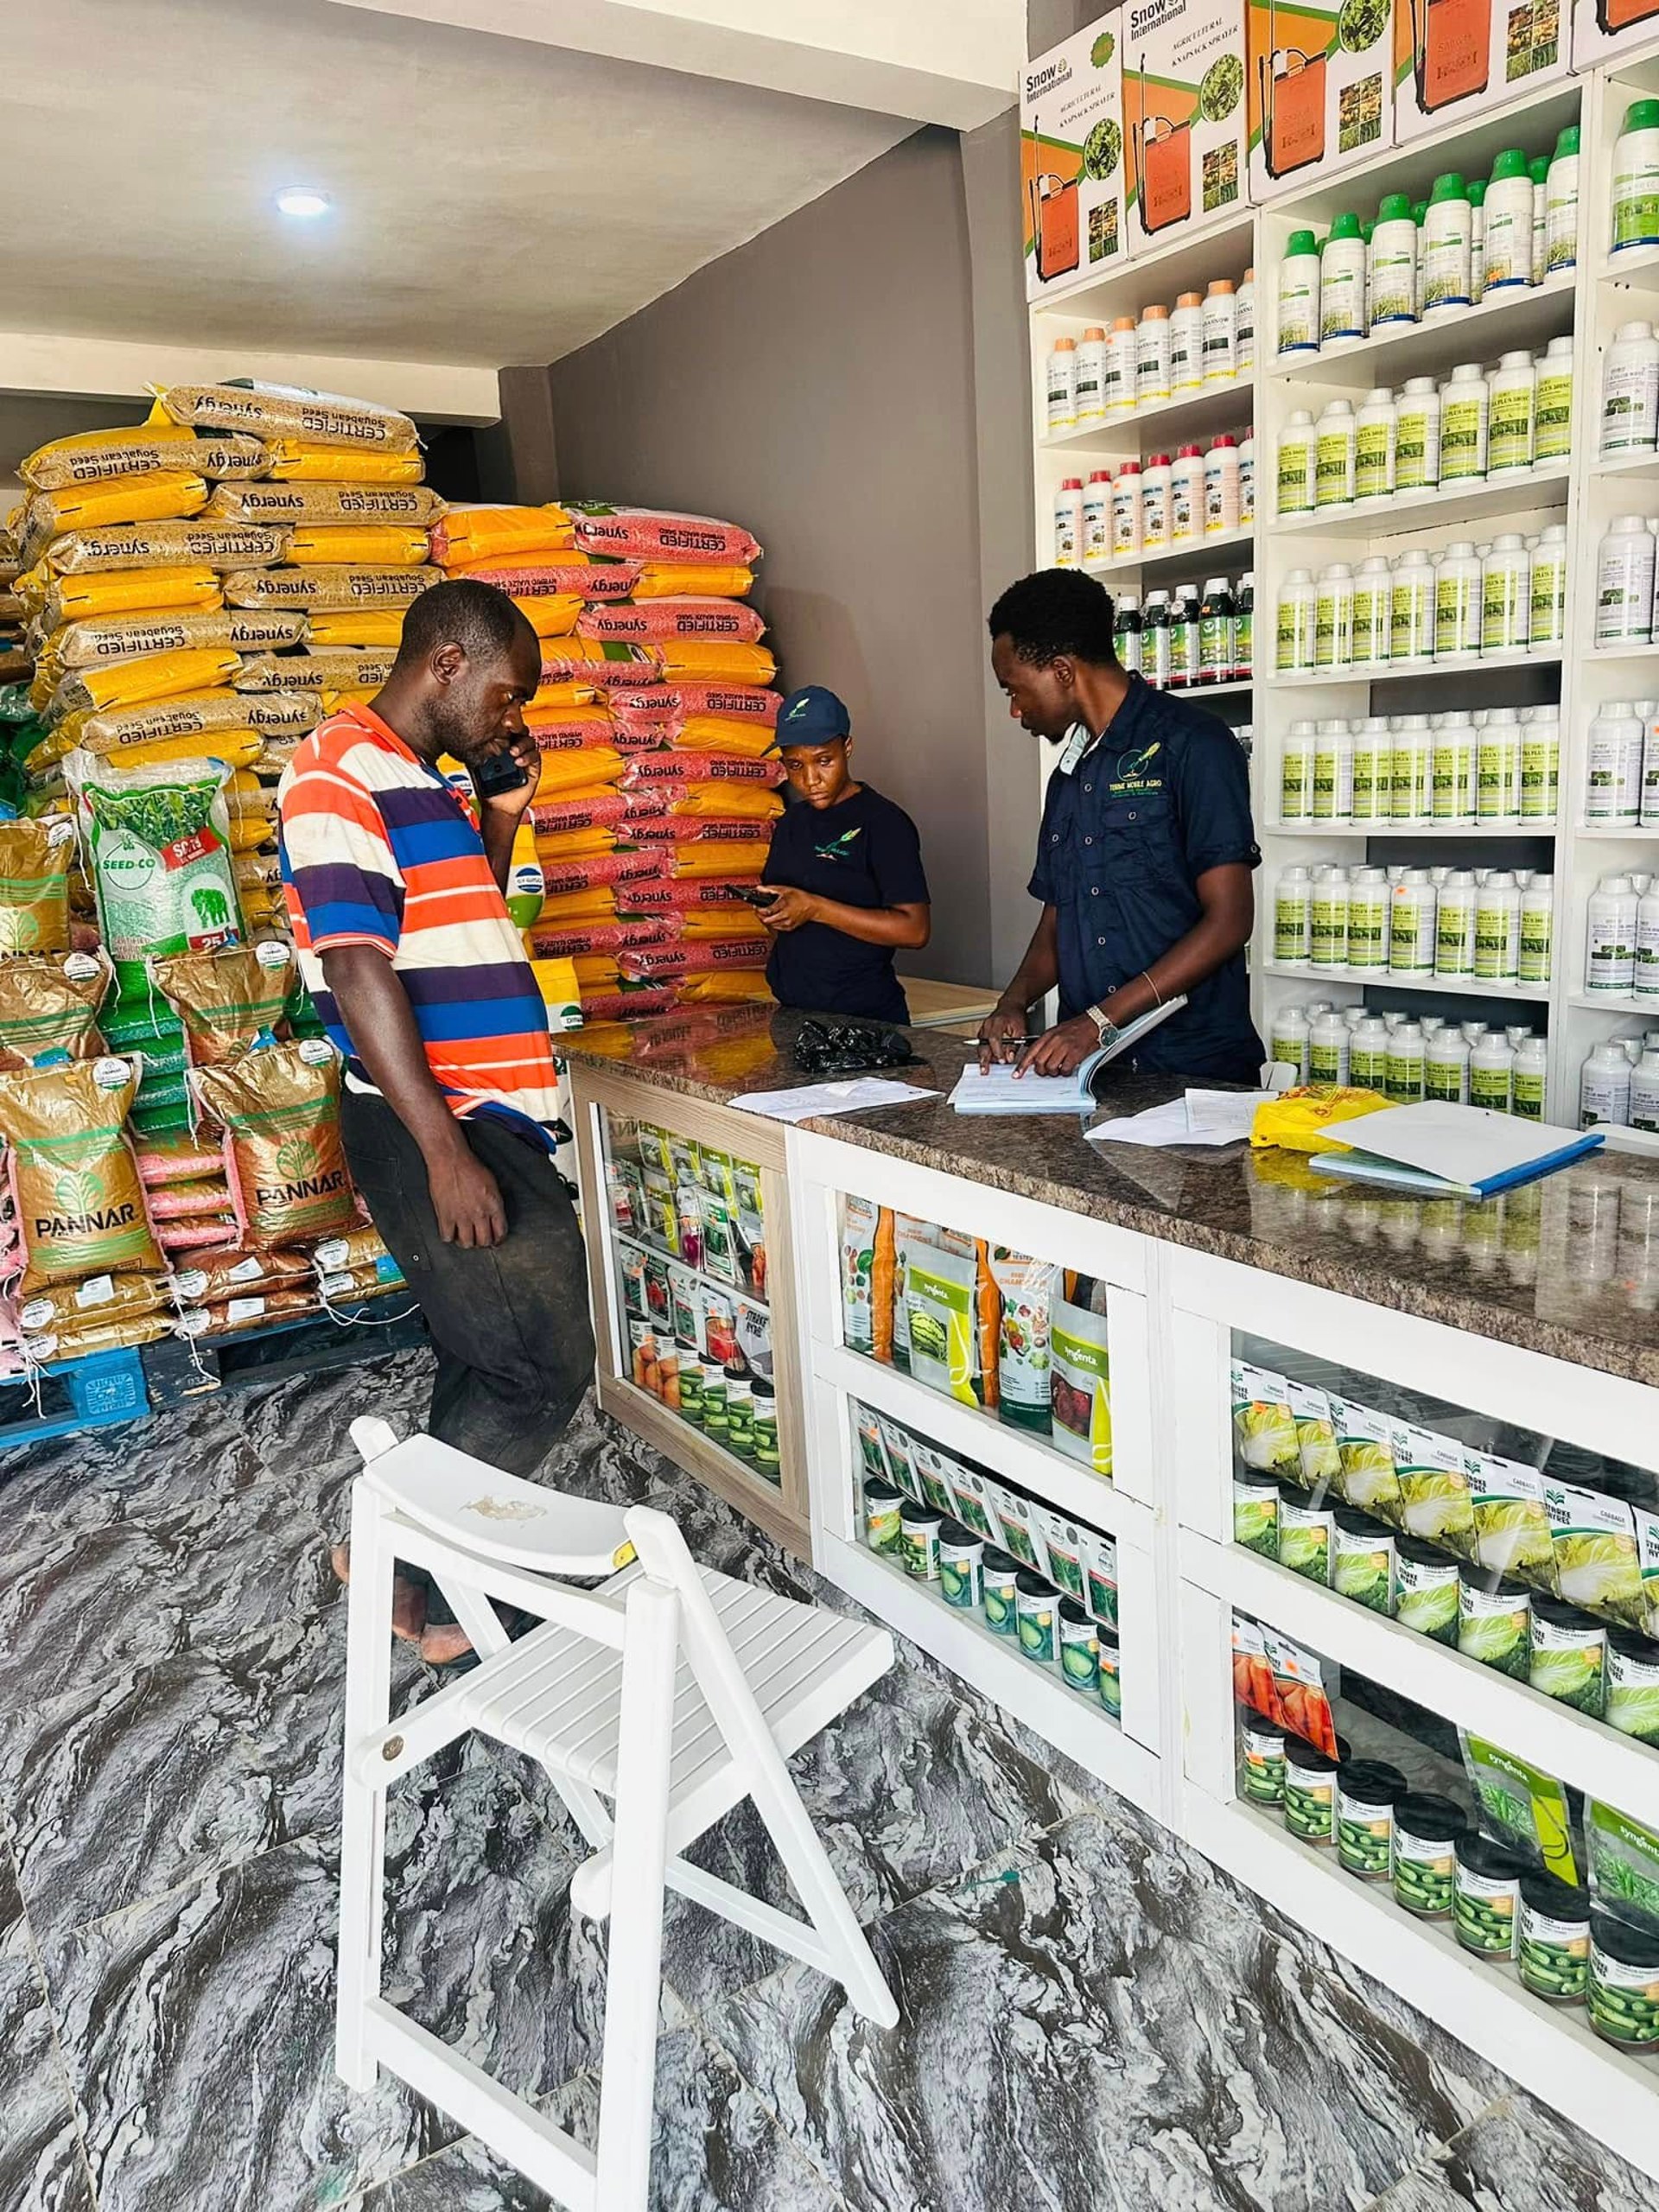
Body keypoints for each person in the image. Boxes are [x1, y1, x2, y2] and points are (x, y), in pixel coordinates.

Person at [279, 577, 594, 1663]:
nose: (517, 720)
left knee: (481, 1353)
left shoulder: (419, 781)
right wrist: (446, 1150)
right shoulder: (336, 770)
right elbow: (359, 968)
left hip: (487, 1120)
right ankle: (394, 1560)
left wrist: (499, 814)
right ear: (447, 665)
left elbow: (463, 935)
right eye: (509, 697)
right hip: (444, 1128)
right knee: (542, 1367)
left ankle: (434, 1600)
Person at [978, 569, 1262, 1084]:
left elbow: (1229, 921)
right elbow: (1060, 916)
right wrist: (1014, 1001)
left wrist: (1098, 1022)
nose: (1016, 710)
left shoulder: (1195, 745)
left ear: (1062, 671)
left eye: (1014, 691)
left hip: (1191, 1068)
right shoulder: (1069, 775)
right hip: (1093, 1070)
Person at [759, 683, 930, 1023]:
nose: (811, 780)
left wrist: (816, 909)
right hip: (794, 1015)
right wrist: (774, 912)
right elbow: (782, 908)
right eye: (795, 766)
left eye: (824, 761)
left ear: (847, 747)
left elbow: (915, 931)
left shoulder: (884, 823)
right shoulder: (792, 822)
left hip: (864, 1021)